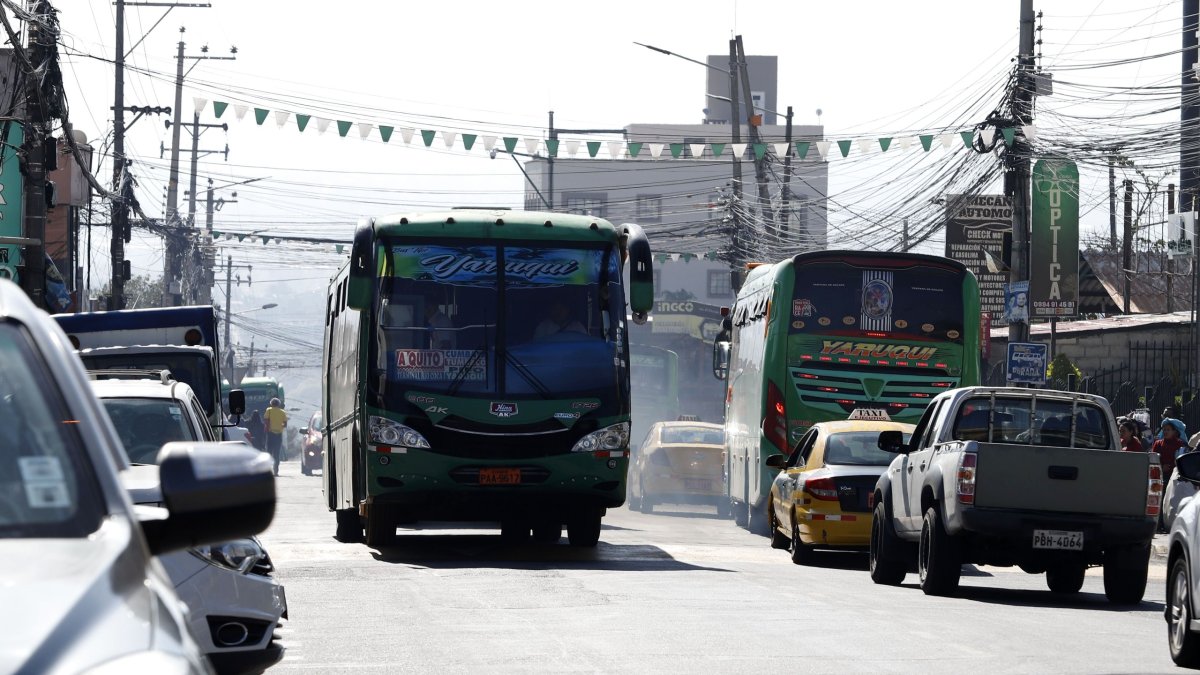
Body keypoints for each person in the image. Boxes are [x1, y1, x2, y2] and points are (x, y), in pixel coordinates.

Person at [263, 397, 288, 476]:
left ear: (271, 403)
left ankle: (268, 469)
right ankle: (276, 470)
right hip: (278, 435)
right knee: (276, 453)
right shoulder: (282, 412)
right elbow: (285, 424)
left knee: (269, 452)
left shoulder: (269, 410)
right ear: (278, 404)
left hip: (270, 434)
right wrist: (280, 426)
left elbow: (265, 420)